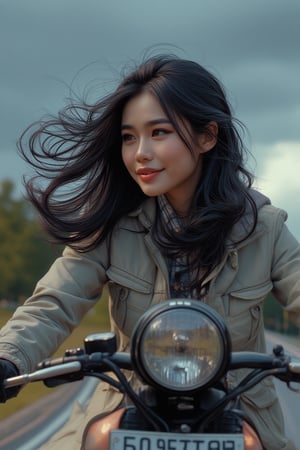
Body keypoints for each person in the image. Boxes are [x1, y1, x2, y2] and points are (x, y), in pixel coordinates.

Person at [0, 54, 299, 450]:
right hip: (129, 405)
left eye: (159, 132)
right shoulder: (111, 226)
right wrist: (9, 356)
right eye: (128, 137)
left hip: (239, 415)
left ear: (207, 136)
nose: (140, 152)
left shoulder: (265, 228)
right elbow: (54, 302)